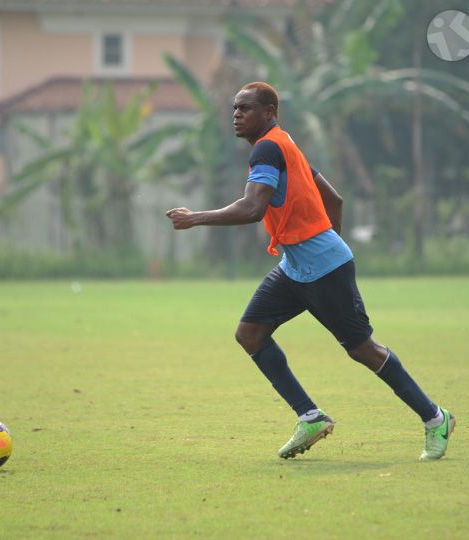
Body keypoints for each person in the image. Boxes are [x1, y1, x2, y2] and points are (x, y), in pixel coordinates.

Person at [166, 82, 454, 461]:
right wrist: (320, 239)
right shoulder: (284, 145)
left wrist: (196, 218)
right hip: (297, 265)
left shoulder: (268, 148)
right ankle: (310, 416)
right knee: (250, 334)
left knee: (362, 349)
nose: (236, 114)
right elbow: (332, 198)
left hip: (323, 268)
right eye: (234, 108)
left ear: (269, 112)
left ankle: (436, 418)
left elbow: (253, 208)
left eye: (246, 108)